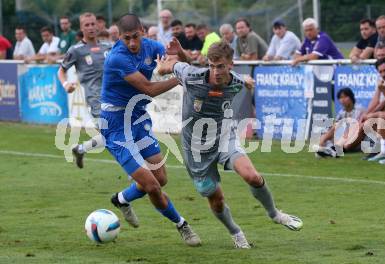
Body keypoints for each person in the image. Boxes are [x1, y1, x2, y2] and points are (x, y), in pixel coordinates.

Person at [156, 41, 303, 249]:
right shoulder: (191, 75)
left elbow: (243, 80)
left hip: (225, 137)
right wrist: (164, 65)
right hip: (196, 150)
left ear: (230, 65)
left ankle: (275, 213)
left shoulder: (235, 81)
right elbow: (171, 66)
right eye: (212, 66)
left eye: (221, 67)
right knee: (216, 199)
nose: (216, 72)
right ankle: (236, 233)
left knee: (252, 176)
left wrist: (248, 81)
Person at [100, 13, 201, 246]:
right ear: (120, 37)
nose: (132, 43)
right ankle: (182, 225)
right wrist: (179, 79)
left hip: (138, 118)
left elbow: (180, 61)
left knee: (161, 178)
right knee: (152, 185)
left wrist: (180, 52)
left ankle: (122, 199)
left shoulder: (151, 46)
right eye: (127, 39)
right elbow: (149, 89)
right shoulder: (117, 58)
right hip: (115, 125)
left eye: (135, 37)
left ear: (143, 32)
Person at [57, 12, 112, 169]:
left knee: (113, 135)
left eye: (93, 24)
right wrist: (66, 84)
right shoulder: (76, 50)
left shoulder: (108, 46)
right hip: (96, 100)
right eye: (86, 25)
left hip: (115, 97)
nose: (91, 27)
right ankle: (135, 173)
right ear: (81, 28)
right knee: (113, 135)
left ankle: (81, 149)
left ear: (98, 25)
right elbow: (61, 71)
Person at [315, 88, 365, 158]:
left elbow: (356, 127)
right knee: (331, 130)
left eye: (345, 97)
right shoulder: (342, 112)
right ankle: (323, 147)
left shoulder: (359, 110)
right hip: (345, 139)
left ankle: (325, 147)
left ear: (351, 97)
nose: (343, 100)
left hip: (356, 141)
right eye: (340, 98)